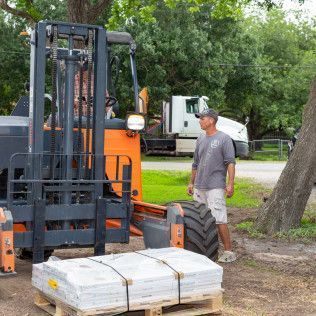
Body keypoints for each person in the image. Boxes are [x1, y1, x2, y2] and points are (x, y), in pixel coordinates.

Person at [187, 108, 236, 263]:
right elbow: (196, 163)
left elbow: (230, 163)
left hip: (215, 186)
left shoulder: (224, 139)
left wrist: (230, 183)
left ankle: (228, 251)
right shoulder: (200, 139)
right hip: (199, 186)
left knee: (219, 218)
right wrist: (191, 182)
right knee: (199, 219)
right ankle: (202, 250)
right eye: (200, 118)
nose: (200, 121)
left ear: (211, 120)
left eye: (202, 118)